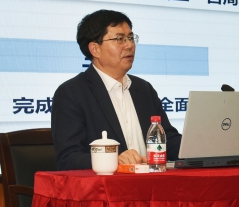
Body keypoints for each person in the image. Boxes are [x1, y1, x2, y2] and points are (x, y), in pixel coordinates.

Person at [51, 9, 182, 171]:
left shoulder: (143, 89)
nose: (129, 45)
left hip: (151, 181)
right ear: (95, 49)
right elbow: (68, 157)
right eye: (119, 39)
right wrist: (112, 160)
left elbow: (168, 140)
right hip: (106, 185)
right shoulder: (72, 93)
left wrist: (200, 148)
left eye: (131, 38)